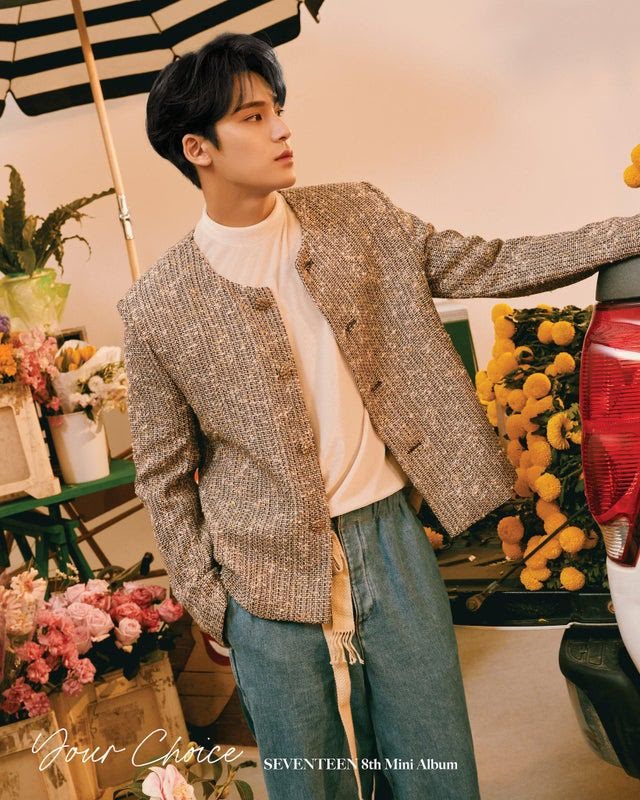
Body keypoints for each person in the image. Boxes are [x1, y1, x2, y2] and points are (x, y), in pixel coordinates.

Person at [117, 32, 640, 800]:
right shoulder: (158, 305)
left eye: (278, 109)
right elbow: (162, 475)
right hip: (267, 580)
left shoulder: (355, 215)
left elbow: (490, 261)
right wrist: (213, 603)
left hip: (391, 544)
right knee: (312, 785)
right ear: (198, 148)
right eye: (254, 117)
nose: (282, 128)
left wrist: (631, 232)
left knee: (437, 769)